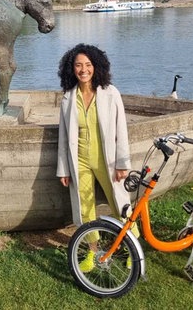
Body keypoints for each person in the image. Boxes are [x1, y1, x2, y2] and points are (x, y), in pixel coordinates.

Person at [55, 43, 136, 272]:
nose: (83, 70)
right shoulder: (69, 97)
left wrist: (123, 163)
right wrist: (64, 168)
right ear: (71, 68)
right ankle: (92, 252)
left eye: (88, 65)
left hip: (106, 160)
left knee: (120, 203)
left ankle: (133, 249)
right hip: (78, 160)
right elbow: (63, 135)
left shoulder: (110, 93)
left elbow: (122, 129)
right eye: (78, 65)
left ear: (96, 66)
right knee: (84, 208)